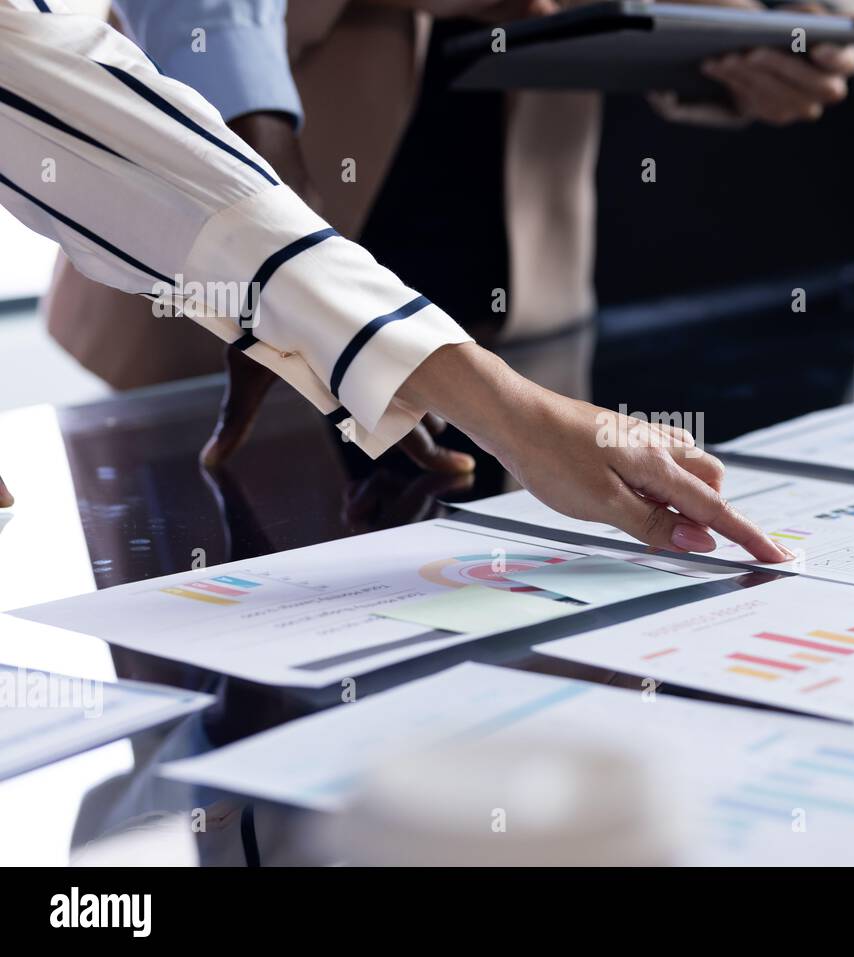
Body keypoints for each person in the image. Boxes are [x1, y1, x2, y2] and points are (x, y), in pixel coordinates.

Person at [0, 0, 791, 563]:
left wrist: (774, 18)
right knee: (240, 658)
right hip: (242, 196)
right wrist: (510, 411)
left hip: (507, 260)